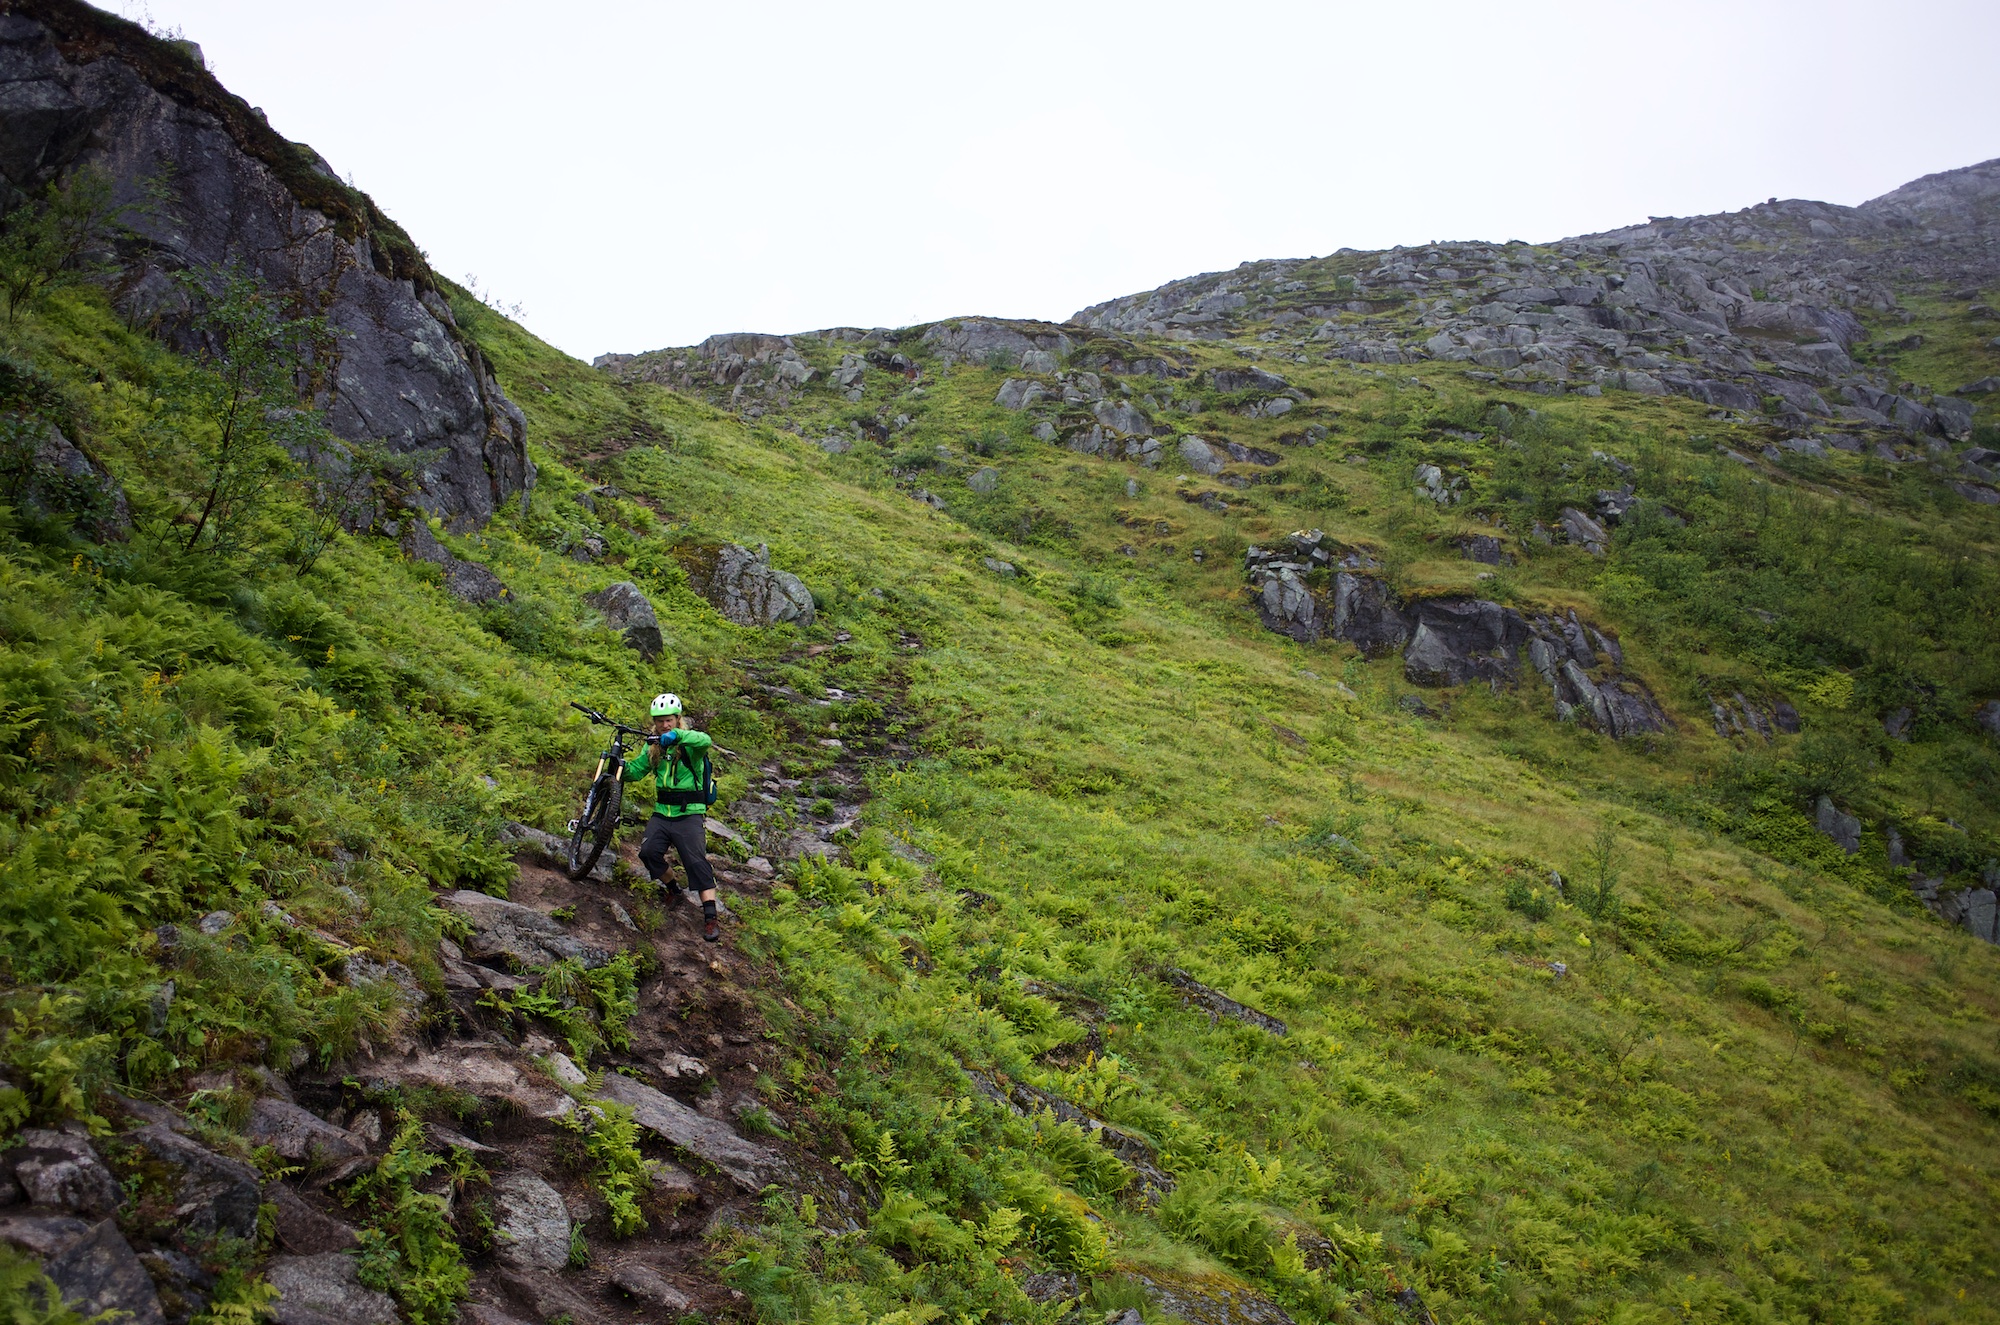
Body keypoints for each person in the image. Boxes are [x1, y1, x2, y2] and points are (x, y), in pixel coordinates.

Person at [627, 692, 721, 942]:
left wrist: (676, 736)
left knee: (696, 862)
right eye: (659, 721)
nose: (664, 725)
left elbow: (705, 740)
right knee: (648, 853)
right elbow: (637, 771)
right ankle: (673, 889)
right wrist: (619, 768)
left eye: (669, 720)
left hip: (688, 813)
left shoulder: (691, 743)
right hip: (662, 812)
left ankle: (710, 918)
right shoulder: (653, 746)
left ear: (678, 719)